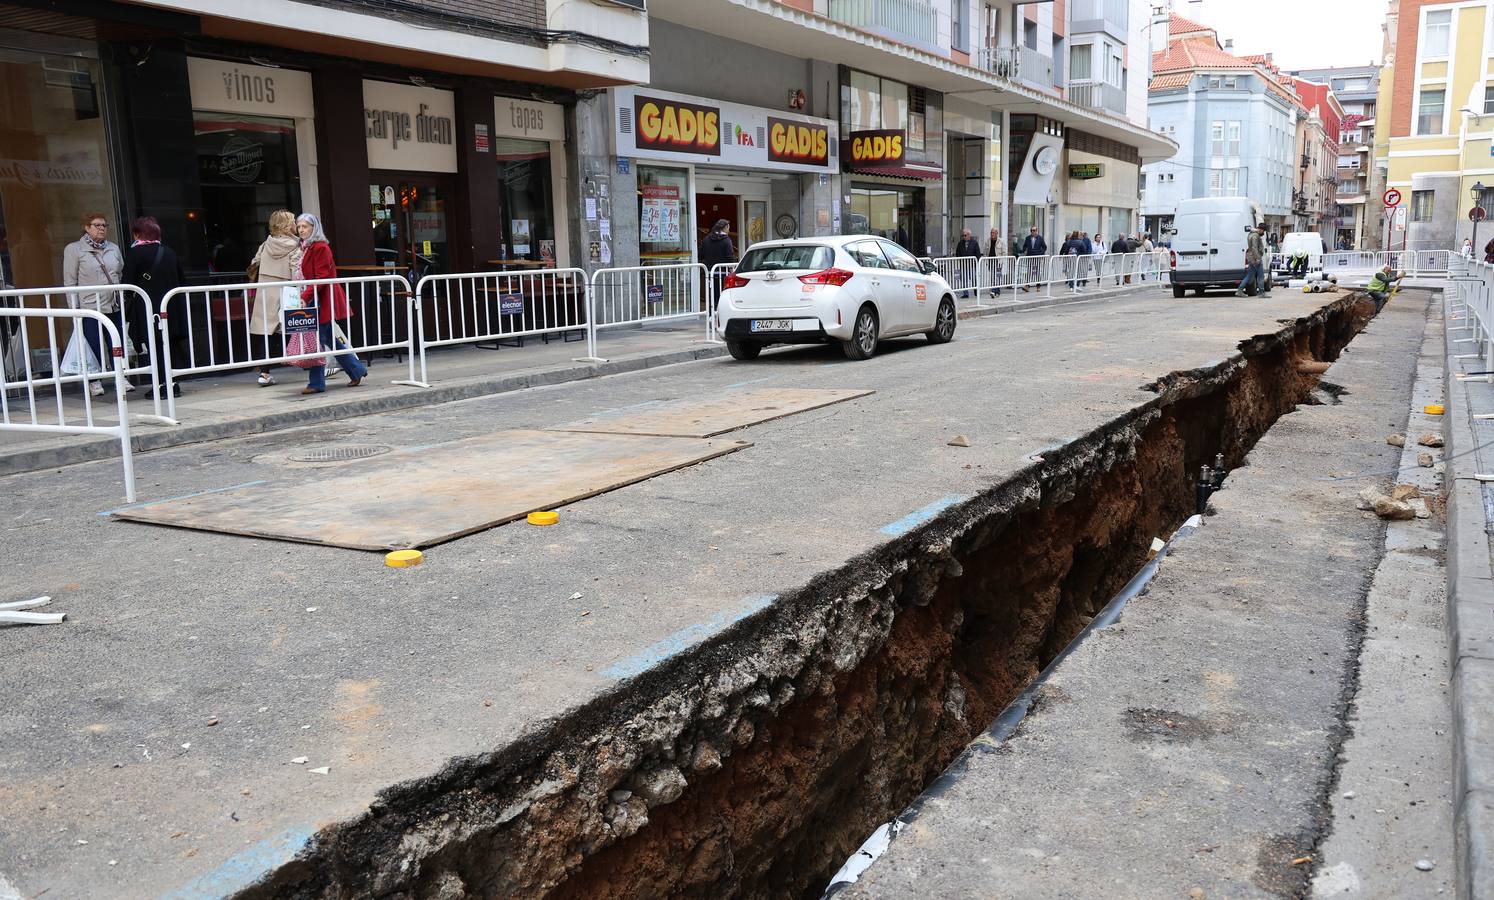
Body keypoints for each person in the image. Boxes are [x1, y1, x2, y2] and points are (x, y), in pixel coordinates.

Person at [295, 213, 367, 394]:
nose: (301, 230)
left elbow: (322, 277)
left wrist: (306, 295)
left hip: (320, 299)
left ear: (314, 228)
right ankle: (355, 370)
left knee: (319, 341)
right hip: (314, 298)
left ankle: (317, 382)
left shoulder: (320, 247)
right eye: (299, 226)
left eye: (305, 226)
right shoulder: (307, 247)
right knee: (326, 339)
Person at [120, 217, 185, 399]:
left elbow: (127, 283)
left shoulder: (135, 254)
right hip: (171, 308)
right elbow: (182, 280)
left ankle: (161, 385)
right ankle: (173, 383)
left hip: (148, 310)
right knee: (169, 346)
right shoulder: (169, 252)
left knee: (154, 347)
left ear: (137, 234)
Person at [61, 211, 125, 397]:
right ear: (86, 228)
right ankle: (94, 381)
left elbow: (119, 273)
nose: (102, 229)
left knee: (117, 342)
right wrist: (74, 311)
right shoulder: (74, 249)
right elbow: (70, 281)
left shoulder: (113, 248)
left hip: (112, 304)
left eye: (104, 225)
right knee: (92, 345)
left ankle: (121, 376)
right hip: (89, 306)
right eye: (97, 225)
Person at [248, 210, 302, 387]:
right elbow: (296, 271)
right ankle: (314, 364)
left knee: (266, 332)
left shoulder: (265, 245)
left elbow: (254, 263)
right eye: (293, 221)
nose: (296, 224)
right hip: (287, 293)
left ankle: (264, 373)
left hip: (265, 293)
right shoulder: (296, 246)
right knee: (302, 326)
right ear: (287, 225)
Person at [699, 218, 736, 309]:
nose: (729, 230)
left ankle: (711, 315)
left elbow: (701, 255)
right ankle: (720, 315)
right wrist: (732, 270)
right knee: (723, 296)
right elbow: (730, 257)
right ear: (725, 227)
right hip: (723, 274)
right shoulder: (726, 240)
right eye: (728, 227)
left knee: (712, 297)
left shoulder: (706, 239)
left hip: (709, 273)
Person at [1235, 225, 1269, 298]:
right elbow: (1254, 248)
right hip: (1255, 258)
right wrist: (1258, 258)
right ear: (1260, 229)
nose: (1263, 233)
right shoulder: (1255, 236)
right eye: (1263, 231)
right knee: (1261, 276)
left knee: (1249, 275)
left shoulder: (1251, 234)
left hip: (1251, 258)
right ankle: (1261, 292)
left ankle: (1239, 291)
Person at [954, 227, 981, 298]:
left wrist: (977, 262)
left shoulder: (974, 243)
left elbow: (978, 253)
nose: (964, 237)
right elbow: (957, 253)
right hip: (964, 265)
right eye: (963, 235)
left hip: (972, 265)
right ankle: (965, 293)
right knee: (964, 279)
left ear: (969, 235)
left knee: (974, 278)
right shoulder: (960, 243)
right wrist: (960, 260)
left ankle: (976, 291)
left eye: (965, 235)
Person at [1020, 226, 1046, 292]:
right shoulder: (1028, 238)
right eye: (1031, 230)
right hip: (1030, 257)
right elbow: (1024, 246)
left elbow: (1044, 247)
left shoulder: (1040, 238)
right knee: (1029, 272)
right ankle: (1027, 286)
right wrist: (1024, 250)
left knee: (1037, 272)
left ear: (1036, 231)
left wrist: (1041, 254)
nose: (1032, 232)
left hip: (1037, 257)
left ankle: (1038, 286)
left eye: (1034, 230)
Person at [986, 228, 1003, 296]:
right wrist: (985, 260)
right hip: (990, 261)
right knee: (993, 276)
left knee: (997, 276)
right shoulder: (988, 241)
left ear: (996, 233)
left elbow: (1004, 252)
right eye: (991, 232)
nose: (992, 234)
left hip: (998, 262)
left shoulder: (1001, 241)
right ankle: (997, 291)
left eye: (993, 233)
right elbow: (985, 251)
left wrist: (1001, 261)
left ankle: (993, 291)